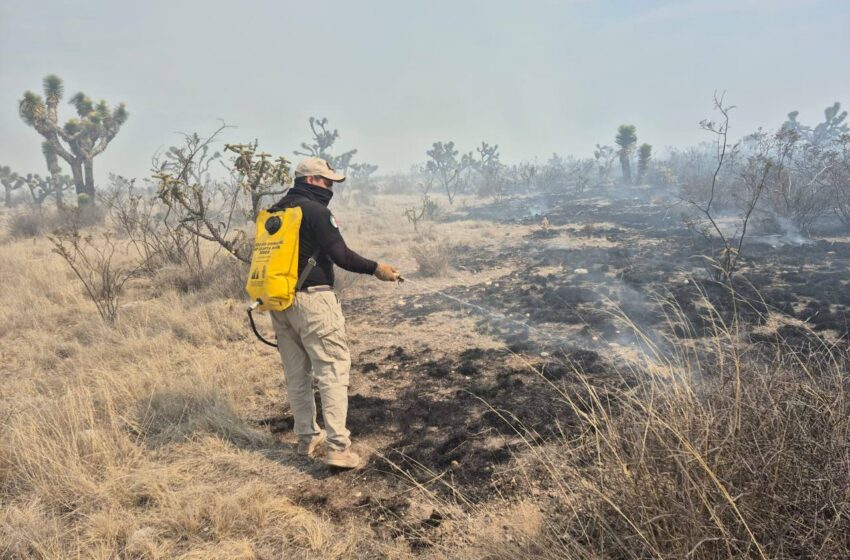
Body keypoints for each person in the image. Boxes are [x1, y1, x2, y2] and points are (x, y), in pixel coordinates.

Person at [267, 157, 400, 469]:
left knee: (297, 374)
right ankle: (338, 448)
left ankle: (306, 439)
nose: (330, 188)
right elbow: (341, 255)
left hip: (280, 303)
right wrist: (376, 268)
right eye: (327, 182)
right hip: (314, 303)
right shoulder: (315, 211)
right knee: (333, 370)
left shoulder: (275, 211)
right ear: (312, 180)